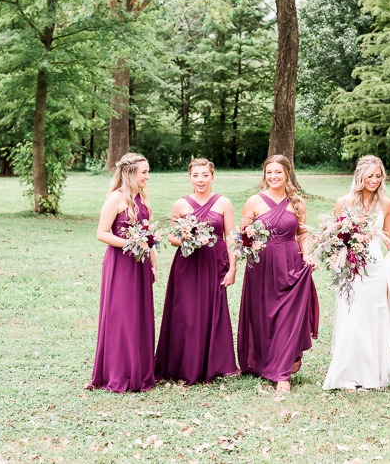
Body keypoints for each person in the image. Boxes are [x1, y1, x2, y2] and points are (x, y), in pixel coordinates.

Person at [323, 155, 390, 390]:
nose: (374, 180)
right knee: (352, 318)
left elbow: (388, 236)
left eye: (378, 176)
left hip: (376, 268)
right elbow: (335, 237)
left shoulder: (386, 204)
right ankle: (348, 374)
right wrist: (341, 254)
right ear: (360, 176)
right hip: (352, 268)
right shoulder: (343, 203)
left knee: (376, 318)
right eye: (370, 176)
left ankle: (373, 374)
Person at [236, 155, 319, 393]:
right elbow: (243, 235)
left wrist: (307, 255)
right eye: (269, 172)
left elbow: (303, 233)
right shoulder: (254, 202)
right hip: (261, 266)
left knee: (287, 317)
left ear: (287, 174)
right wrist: (247, 244)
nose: (273, 176)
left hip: (290, 263)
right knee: (264, 316)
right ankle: (264, 362)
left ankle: (282, 373)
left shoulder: (297, 202)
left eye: (278, 172)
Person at [154, 158, 239, 384]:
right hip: (188, 264)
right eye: (196, 175)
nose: (200, 180)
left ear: (213, 177)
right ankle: (185, 365)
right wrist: (186, 236)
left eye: (205, 175)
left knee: (213, 311)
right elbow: (171, 237)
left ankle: (213, 364)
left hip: (215, 264)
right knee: (187, 313)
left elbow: (231, 237)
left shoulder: (224, 203)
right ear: (189, 178)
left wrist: (233, 268)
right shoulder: (180, 204)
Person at [87, 153, 157, 392]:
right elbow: (102, 233)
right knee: (122, 316)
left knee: (139, 315)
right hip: (120, 264)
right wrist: (130, 243)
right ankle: (119, 372)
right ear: (130, 173)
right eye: (144, 172)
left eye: (147, 172)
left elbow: (148, 234)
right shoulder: (116, 198)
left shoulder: (142, 198)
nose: (147, 176)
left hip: (141, 263)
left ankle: (139, 369)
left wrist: (153, 261)